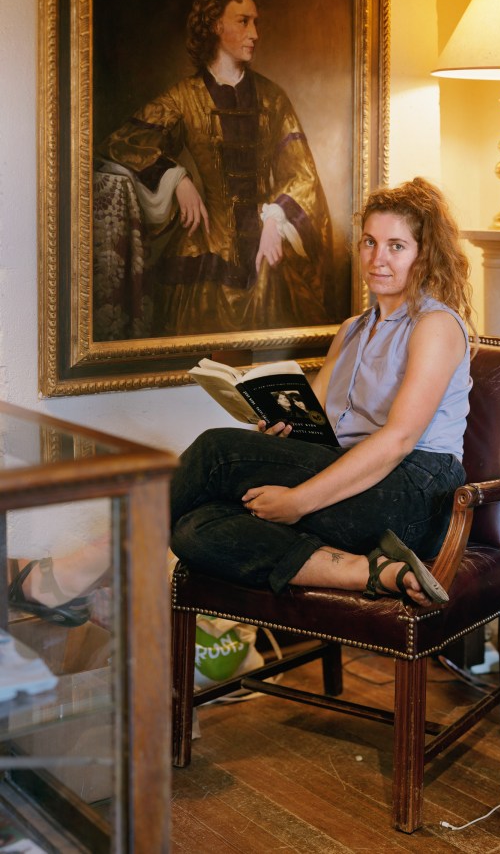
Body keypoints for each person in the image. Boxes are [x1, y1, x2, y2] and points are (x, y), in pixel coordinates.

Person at [170, 177, 478, 606]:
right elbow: (317, 423)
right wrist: (283, 431)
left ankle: (105, 560)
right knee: (195, 529)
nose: (377, 258)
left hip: (415, 496)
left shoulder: (435, 326)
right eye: (369, 242)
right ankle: (369, 570)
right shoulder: (351, 330)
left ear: (425, 255)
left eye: (396, 246)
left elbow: (398, 440)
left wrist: (298, 501)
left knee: (216, 452)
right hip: (352, 481)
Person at [96, 0, 337, 337]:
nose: (254, 32)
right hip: (203, 255)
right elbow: (121, 144)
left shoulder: (272, 98)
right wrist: (177, 178)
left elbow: (301, 174)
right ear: (215, 25)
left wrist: (275, 221)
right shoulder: (184, 97)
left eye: (256, 22)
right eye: (243, 21)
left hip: (266, 250)